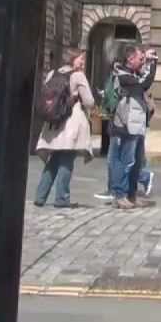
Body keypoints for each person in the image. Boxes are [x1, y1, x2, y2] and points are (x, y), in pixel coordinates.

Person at [34, 50, 95, 208]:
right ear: (73, 59)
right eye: (81, 59)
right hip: (71, 122)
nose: (82, 63)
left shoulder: (52, 73)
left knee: (53, 160)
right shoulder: (78, 76)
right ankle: (62, 198)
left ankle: (40, 196)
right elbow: (89, 101)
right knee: (66, 160)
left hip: (54, 123)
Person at [110, 44, 158, 210]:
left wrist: (149, 62)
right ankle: (120, 195)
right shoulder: (123, 76)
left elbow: (143, 80)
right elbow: (144, 84)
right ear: (130, 59)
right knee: (126, 161)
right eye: (140, 58)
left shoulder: (133, 74)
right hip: (126, 125)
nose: (142, 60)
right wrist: (152, 65)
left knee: (137, 163)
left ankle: (132, 194)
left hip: (137, 125)